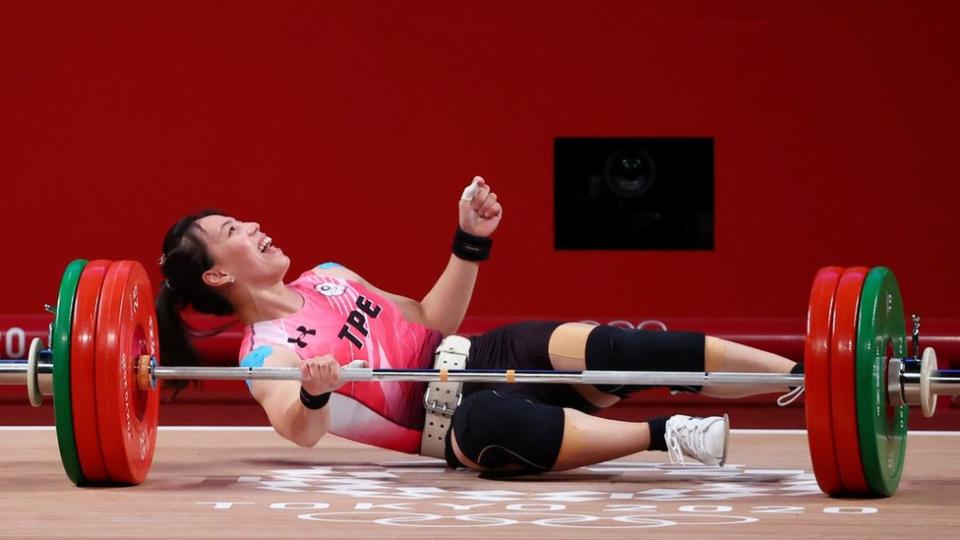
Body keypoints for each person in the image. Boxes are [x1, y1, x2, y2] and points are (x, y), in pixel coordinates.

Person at [156, 176, 801, 476]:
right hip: (453, 421)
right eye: (233, 232)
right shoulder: (264, 353)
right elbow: (298, 430)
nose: (255, 227)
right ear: (216, 277)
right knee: (486, 424)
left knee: (615, 345)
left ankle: (804, 378)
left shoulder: (331, 274)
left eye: (243, 219)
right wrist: (315, 393)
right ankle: (667, 435)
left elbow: (432, 321)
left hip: (482, 353)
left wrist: (469, 241)